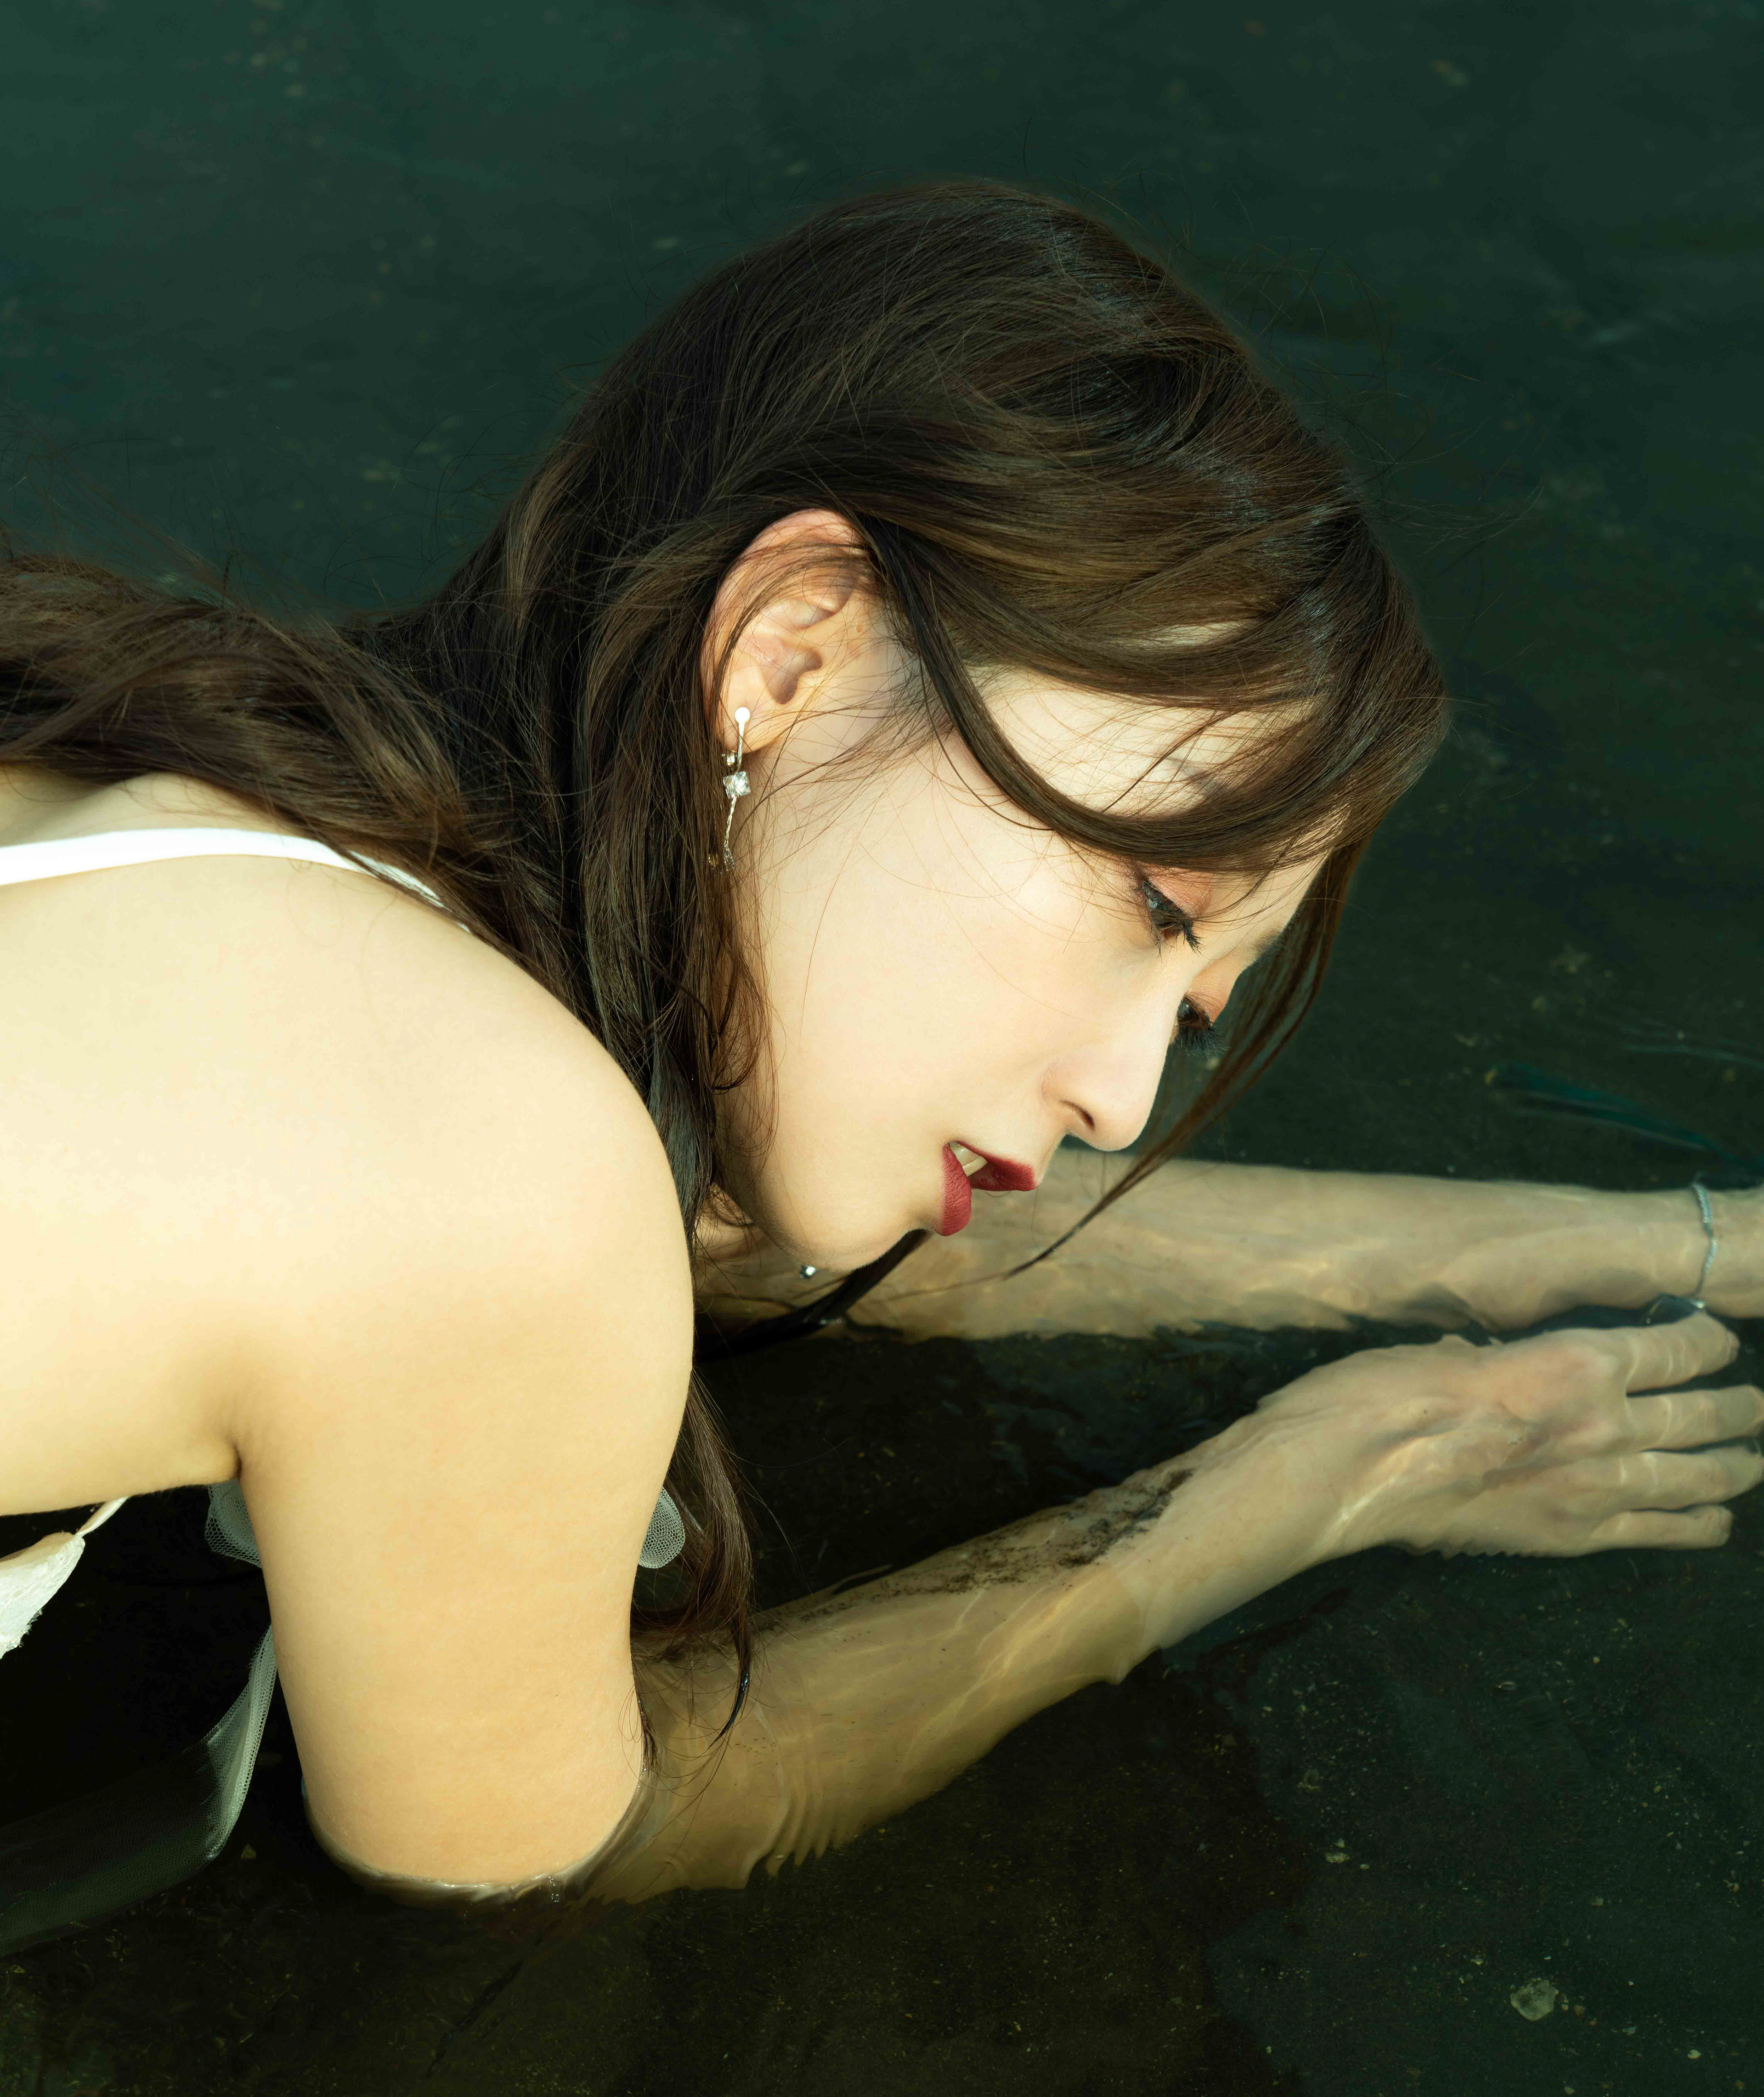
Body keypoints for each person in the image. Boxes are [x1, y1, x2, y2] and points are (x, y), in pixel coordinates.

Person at [1, 179, 1759, 1946]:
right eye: (1152, 902)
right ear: (795, 652)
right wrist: (1315, 1475)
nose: (1123, 1099)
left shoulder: (183, 779)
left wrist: (1607, 1244)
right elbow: (567, 1835)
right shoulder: (487, 1181)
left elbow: (730, 1242)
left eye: (1194, 1011)